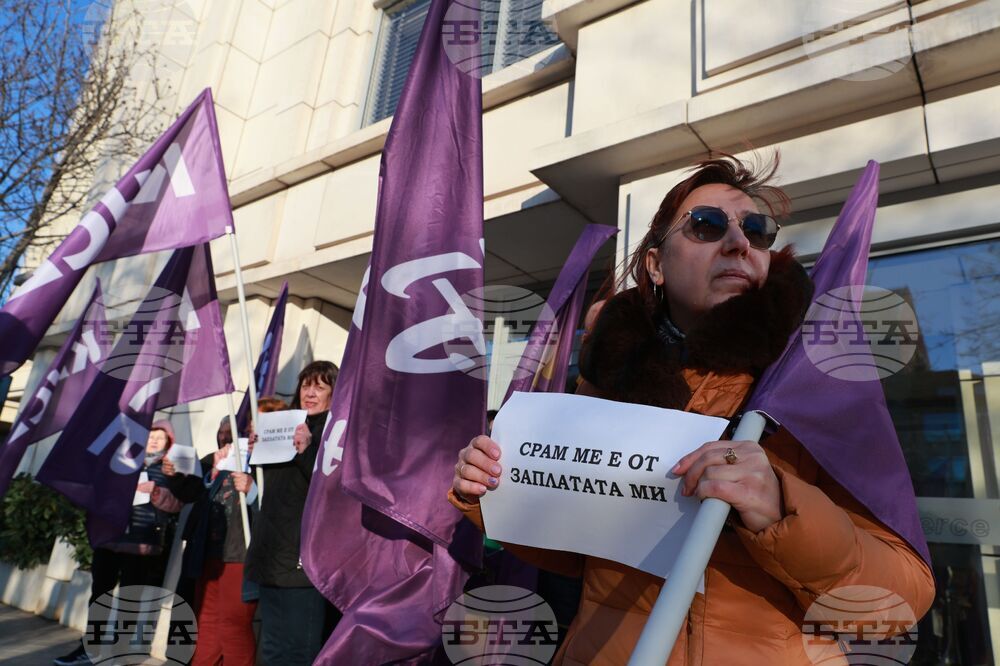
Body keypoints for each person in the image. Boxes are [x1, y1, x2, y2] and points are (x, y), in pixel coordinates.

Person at [449, 155, 936, 664]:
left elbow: (898, 605)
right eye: (706, 225)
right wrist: (494, 490)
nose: (739, 243)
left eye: (757, 230)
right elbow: (578, 557)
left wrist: (783, 509)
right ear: (656, 265)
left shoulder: (820, 385)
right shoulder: (603, 383)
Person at [54, 421, 185, 666]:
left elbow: (177, 505)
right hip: (110, 539)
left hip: (142, 544)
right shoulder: (122, 461)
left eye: (160, 438)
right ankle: (91, 649)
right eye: (151, 436)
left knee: (130, 600)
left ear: (168, 442)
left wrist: (156, 491)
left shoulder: (172, 470)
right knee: (99, 595)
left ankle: (120, 652)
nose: (154, 441)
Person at [164, 402, 282, 666]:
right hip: (207, 553)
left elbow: (281, 506)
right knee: (205, 622)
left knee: (233, 624)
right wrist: (177, 475)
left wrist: (252, 490)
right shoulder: (219, 458)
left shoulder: (273, 462)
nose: (226, 438)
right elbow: (191, 490)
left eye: (233, 432)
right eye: (223, 432)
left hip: (240, 555)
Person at [244, 361, 338, 665]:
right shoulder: (284, 425)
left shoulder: (336, 433)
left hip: (303, 563)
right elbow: (270, 492)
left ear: (335, 393)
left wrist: (307, 451)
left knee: (300, 651)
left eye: (319, 387)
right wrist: (256, 454)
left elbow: (332, 490)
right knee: (272, 648)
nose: (310, 393)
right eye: (306, 385)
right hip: (271, 557)